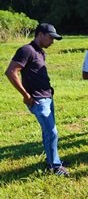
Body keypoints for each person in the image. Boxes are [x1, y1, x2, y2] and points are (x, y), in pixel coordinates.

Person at [4, 23, 69, 176]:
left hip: (47, 97)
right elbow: (11, 72)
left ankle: (52, 160)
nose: (52, 41)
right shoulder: (27, 50)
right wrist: (26, 95)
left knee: (48, 133)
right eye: (51, 38)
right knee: (52, 132)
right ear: (40, 34)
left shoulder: (40, 52)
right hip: (38, 100)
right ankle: (55, 166)